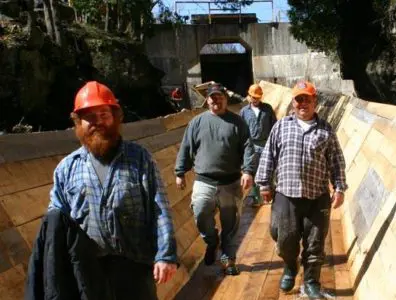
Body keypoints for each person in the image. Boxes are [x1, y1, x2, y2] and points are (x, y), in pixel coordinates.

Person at [40, 81, 178, 299]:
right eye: (89, 117)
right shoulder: (67, 168)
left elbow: (159, 207)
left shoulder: (139, 159)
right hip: (89, 272)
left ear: (116, 117)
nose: (98, 122)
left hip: (136, 266)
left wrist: (166, 255)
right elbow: (57, 223)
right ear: (78, 122)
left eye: (104, 114)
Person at [255, 81, 347, 299]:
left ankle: (312, 281)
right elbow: (268, 155)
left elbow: (336, 161)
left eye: (307, 99)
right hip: (286, 195)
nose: (303, 103)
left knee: (315, 243)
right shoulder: (281, 126)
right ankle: (290, 266)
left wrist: (340, 187)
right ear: (293, 103)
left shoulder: (326, 129)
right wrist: (264, 183)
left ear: (315, 102)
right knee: (284, 238)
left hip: (317, 196)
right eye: (299, 99)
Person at [175, 82, 255, 276]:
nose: (216, 100)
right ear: (207, 100)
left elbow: (248, 147)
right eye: (212, 97)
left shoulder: (238, 122)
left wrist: (248, 171)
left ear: (225, 99)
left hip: (231, 182)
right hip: (204, 181)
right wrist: (179, 172)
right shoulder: (197, 122)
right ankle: (211, 241)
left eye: (219, 97)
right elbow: (186, 147)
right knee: (201, 214)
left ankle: (228, 259)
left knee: (231, 224)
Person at [239, 83, 277, 207]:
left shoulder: (267, 109)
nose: (255, 100)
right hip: (251, 146)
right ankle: (256, 198)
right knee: (253, 171)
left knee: (268, 170)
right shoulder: (244, 112)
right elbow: (241, 131)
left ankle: (268, 196)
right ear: (249, 96)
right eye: (253, 97)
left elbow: (274, 126)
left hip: (266, 144)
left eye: (258, 98)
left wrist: (274, 143)